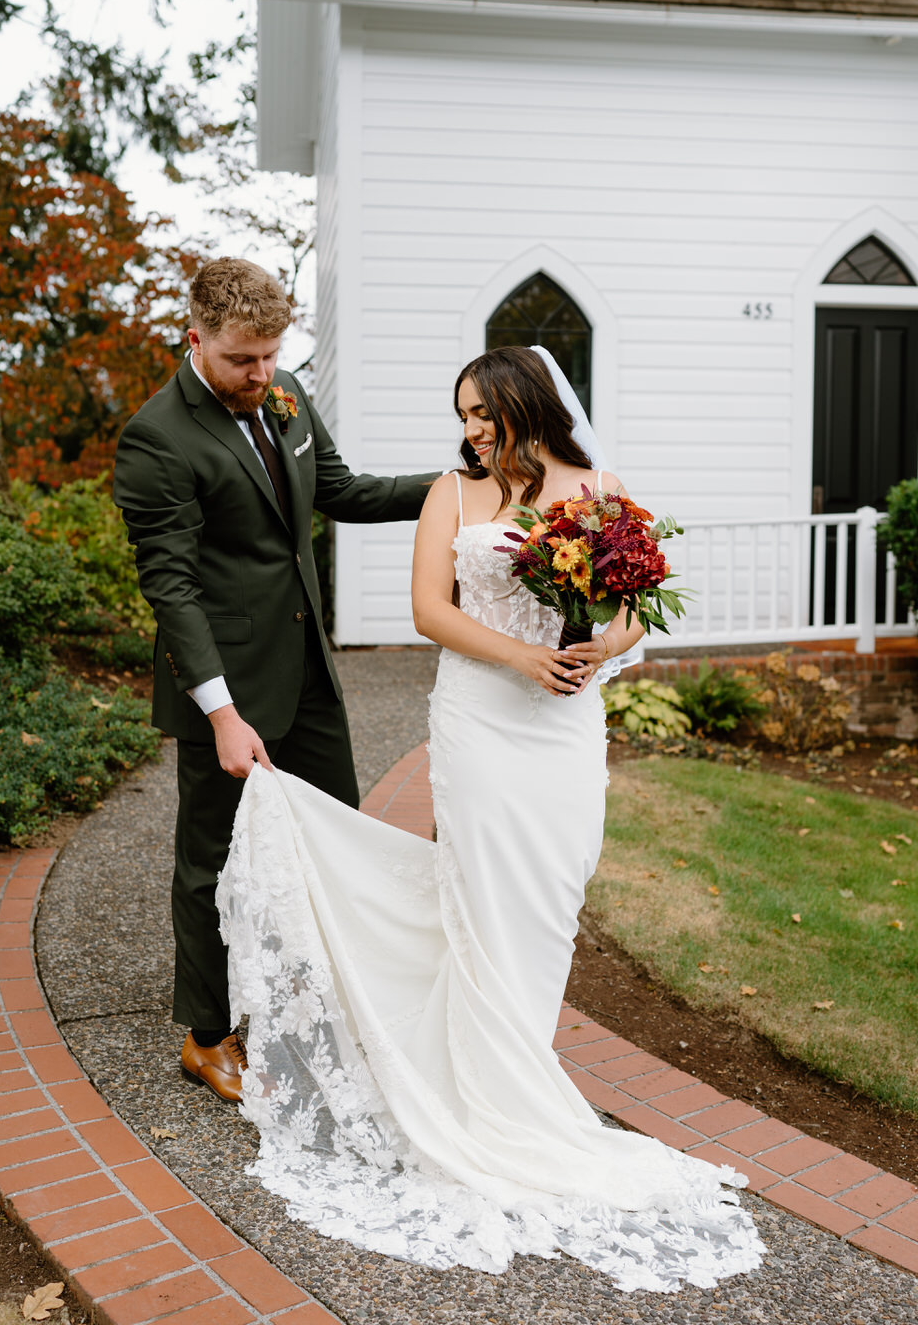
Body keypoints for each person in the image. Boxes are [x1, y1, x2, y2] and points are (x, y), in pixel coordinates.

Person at [215, 345, 764, 1291]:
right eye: (463, 414)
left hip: (564, 726)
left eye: (484, 412)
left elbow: (638, 608)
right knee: (479, 892)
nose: (471, 429)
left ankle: (516, 1069)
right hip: (479, 717)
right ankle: (478, 1100)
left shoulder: (600, 490)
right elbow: (430, 609)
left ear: (526, 403)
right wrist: (519, 659)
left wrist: (599, 648)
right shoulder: (452, 496)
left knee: (550, 894)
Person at [112, 257, 436, 1103]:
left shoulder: (284, 391)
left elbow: (342, 491)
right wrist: (220, 714)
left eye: (270, 355)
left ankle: (332, 1007)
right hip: (225, 689)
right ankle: (208, 1034)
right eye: (241, 361)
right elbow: (172, 589)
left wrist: (459, 486)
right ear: (196, 340)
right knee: (211, 864)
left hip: (309, 673)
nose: (261, 375)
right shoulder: (157, 439)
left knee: (336, 838)